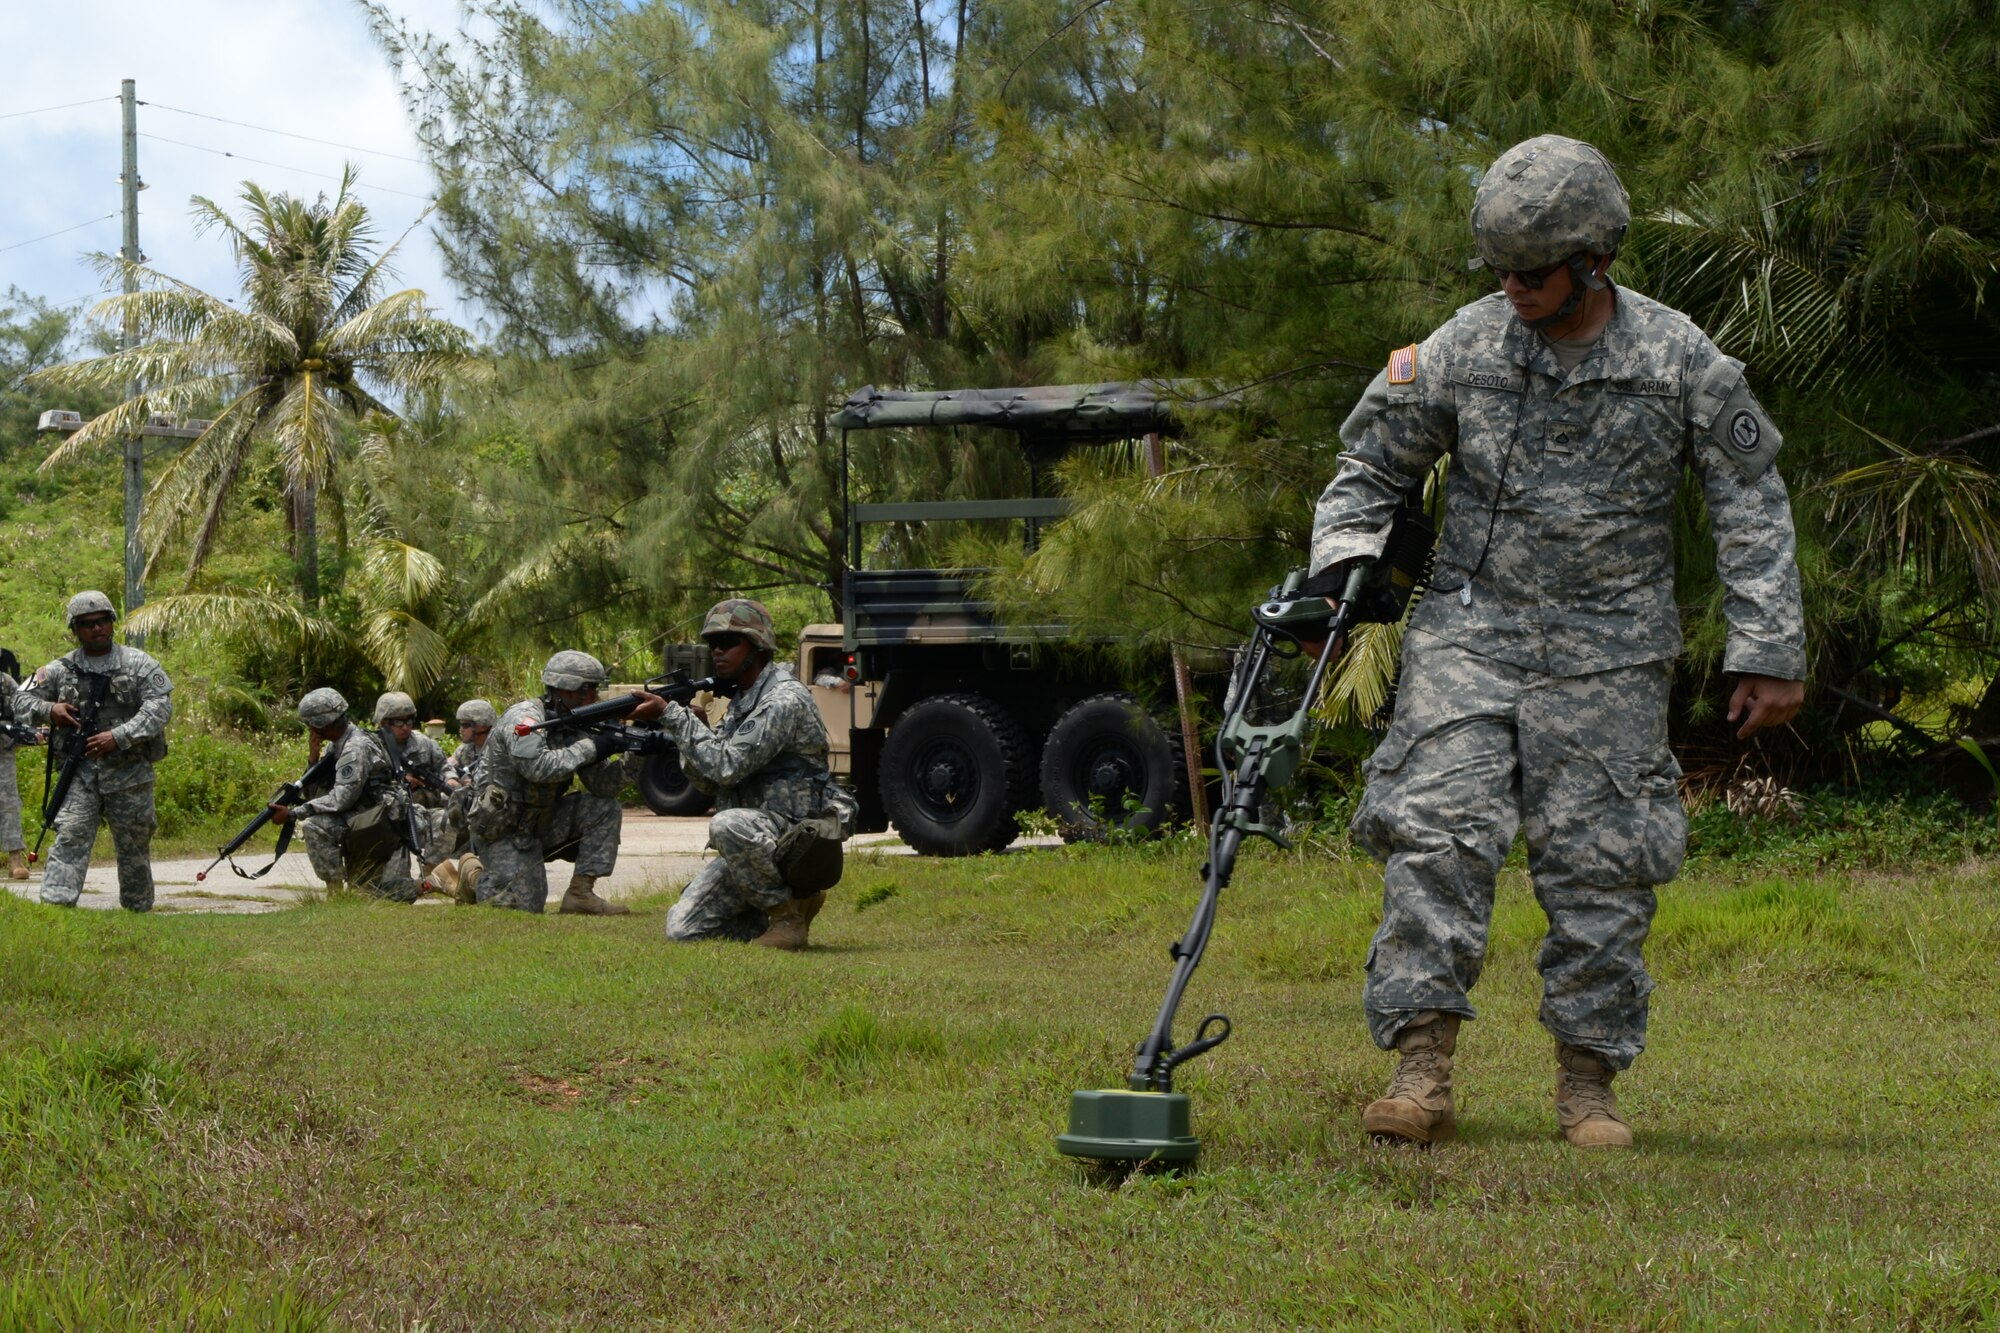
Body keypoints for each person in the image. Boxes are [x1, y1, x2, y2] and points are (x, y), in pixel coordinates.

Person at [1309, 135, 1806, 1149]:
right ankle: (1421, 1072)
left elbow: (1749, 498)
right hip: (1469, 632)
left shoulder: (1679, 361)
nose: (1513, 289)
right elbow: (1368, 466)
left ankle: (1587, 1087)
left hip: (1612, 648)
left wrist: (1767, 647)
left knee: (1600, 866)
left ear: (1595, 260)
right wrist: (1340, 568)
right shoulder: (1460, 346)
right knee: (1433, 835)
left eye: (1532, 273)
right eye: (1497, 270)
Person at [662, 599, 856, 950]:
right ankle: (774, 913)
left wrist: (675, 718)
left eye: (729, 642)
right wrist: (692, 732)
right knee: (683, 929)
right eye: (713, 644)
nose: (718, 651)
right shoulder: (742, 700)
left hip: (794, 834)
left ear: (758, 645)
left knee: (727, 824)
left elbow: (728, 765)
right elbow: (711, 780)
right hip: (756, 841)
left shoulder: (783, 698)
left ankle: (788, 919)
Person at [11, 592, 173, 911]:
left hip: (130, 773)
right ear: (75, 629)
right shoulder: (59, 669)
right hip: (80, 774)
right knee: (70, 835)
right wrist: (50, 708)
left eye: (102, 621)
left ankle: (138, 910)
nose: (96, 629)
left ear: (112, 623)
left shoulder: (139, 664)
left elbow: (160, 706)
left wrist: (119, 735)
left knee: (134, 846)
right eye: (87, 624)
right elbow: (19, 699)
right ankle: (55, 909)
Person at [468, 651, 657, 915]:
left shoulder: (573, 724)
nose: (596, 698)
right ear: (569, 690)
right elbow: (538, 768)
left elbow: (603, 786)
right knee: (519, 909)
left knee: (604, 808)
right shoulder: (524, 720)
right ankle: (471, 876)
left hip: (541, 822)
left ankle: (580, 893)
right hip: (505, 831)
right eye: (591, 690)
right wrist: (592, 747)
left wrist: (637, 751)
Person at [273, 687, 417, 902]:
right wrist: (313, 760)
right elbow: (318, 795)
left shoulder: (355, 747)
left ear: (321, 724)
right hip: (363, 817)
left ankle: (337, 895)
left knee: (314, 826)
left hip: (378, 822)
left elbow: (341, 798)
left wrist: (294, 814)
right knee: (365, 895)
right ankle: (340, 894)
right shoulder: (337, 746)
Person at [430, 698, 496, 901]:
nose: (461, 729)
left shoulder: (496, 747)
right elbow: (450, 763)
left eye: (466, 725)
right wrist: (451, 778)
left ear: (481, 725)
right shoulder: (467, 749)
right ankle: (435, 872)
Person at [0, 665, 39, 881]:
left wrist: (24, 730)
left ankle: (15, 859)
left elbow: (23, 707)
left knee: (8, 803)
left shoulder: (4, 682)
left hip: (2, 751)